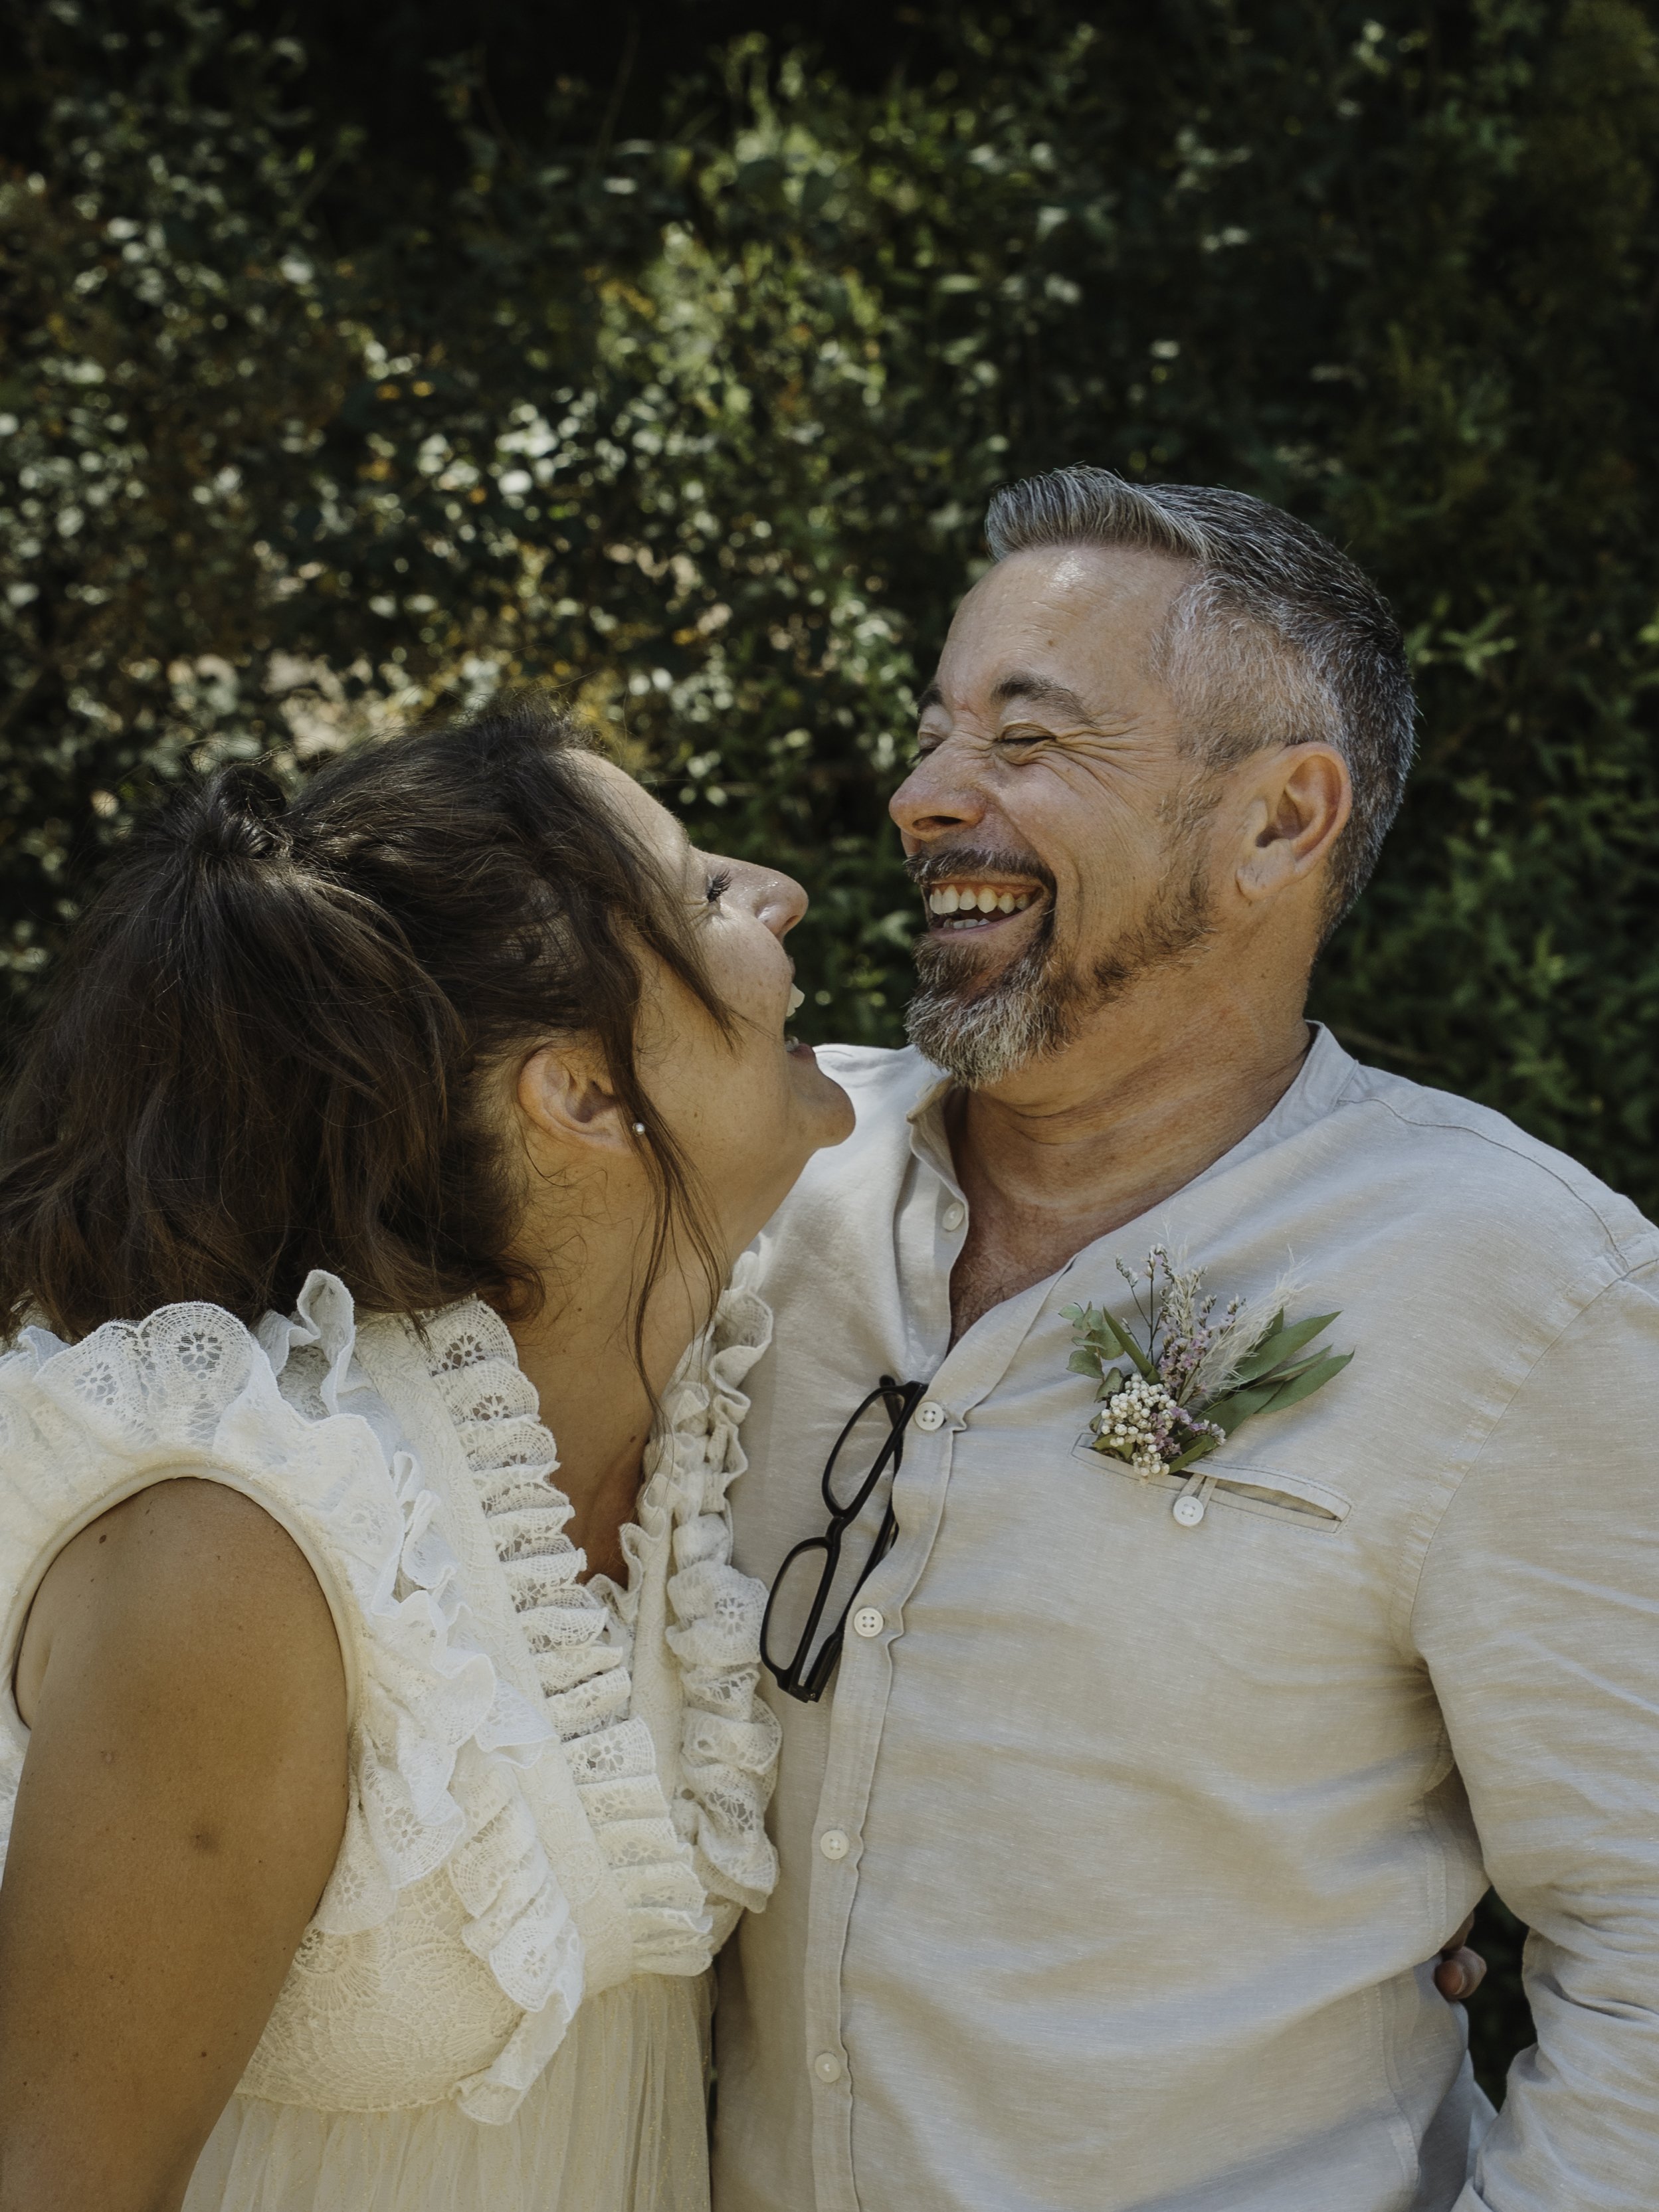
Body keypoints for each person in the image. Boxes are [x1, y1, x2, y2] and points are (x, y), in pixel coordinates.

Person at [712, 466, 1659, 2212]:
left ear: (1281, 823)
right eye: (933, 732)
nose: (925, 797)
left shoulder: (1519, 1291)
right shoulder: (758, 1180)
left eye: (1028, 739)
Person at [0, 703, 854, 2212]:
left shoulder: (704, 1391)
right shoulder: (247, 1553)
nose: (775, 893)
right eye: (703, 897)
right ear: (582, 1096)